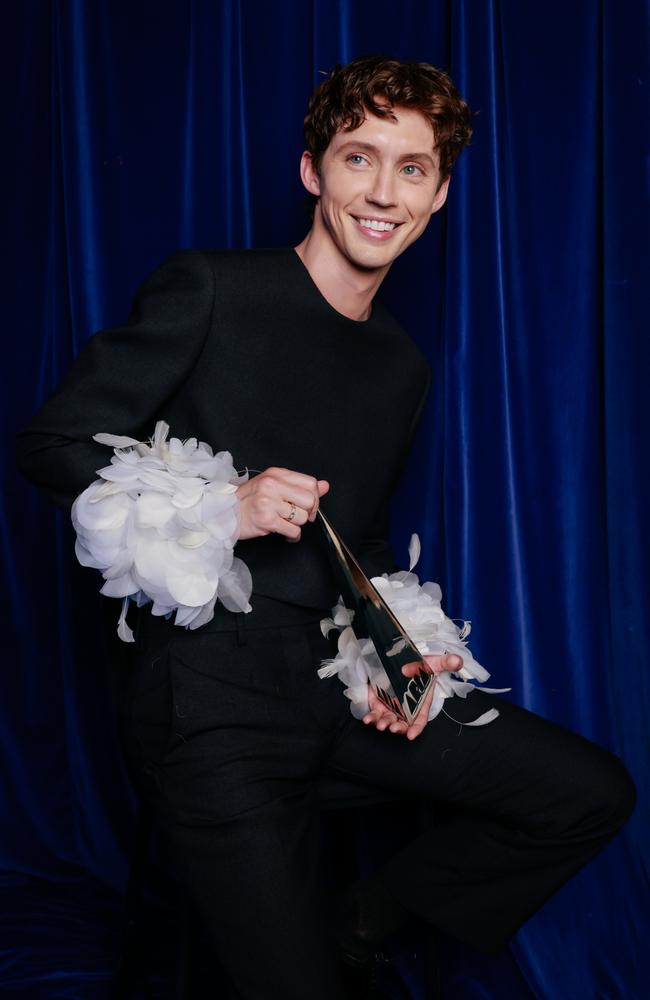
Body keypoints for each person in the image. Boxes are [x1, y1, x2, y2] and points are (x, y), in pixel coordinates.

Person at [16, 55, 635, 1000]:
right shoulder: (212, 289)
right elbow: (52, 444)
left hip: (326, 697)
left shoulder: (401, 365)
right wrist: (223, 508)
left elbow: (364, 545)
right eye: (359, 159)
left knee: (587, 793)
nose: (382, 193)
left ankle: (360, 921)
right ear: (314, 172)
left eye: (413, 168)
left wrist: (398, 657)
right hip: (208, 708)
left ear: (438, 195)